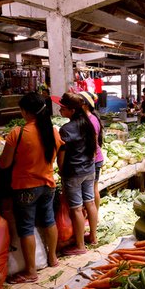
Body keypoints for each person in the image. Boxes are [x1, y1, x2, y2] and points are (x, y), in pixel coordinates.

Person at [0, 92, 63, 284]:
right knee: (48, 220)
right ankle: (53, 259)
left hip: (26, 187)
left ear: (26, 111)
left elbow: (4, 163)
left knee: (26, 227)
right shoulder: (53, 131)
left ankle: (31, 271)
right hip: (48, 184)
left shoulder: (17, 134)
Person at [57, 93, 98, 255]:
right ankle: (93, 237)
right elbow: (95, 146)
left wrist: (61, 170)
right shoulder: (88, 122)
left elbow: (62, 155)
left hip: (73, 172)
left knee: (76, 208)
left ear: (72, 110)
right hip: (89, 170)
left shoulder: (66, 129)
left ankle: (80, 246)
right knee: (90, 202)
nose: (60, 110)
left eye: (63, 108)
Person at [80, 91, 105, 229]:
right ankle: (94, 216)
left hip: (94, 159)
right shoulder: (90, 118)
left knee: (94, 189)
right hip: (95, 158)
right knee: (94, 189)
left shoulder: (90, 120)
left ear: (84, 104)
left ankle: (94, 217)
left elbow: (93, 143)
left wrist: (90, 158)